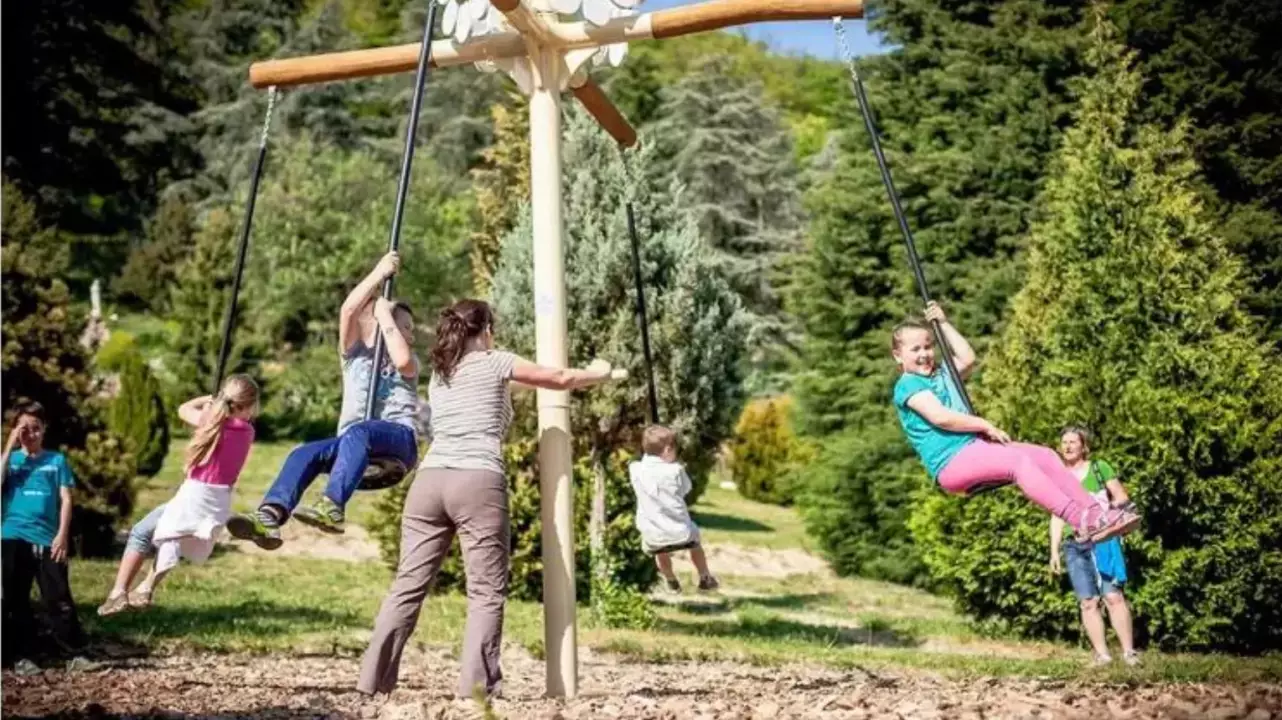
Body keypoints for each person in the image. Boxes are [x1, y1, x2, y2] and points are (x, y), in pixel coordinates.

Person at [358, 299, 616, 700]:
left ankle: (372, 681)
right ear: (487, 329)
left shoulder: (442, 374)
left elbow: (514, 385)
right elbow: (561, 377)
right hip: (477, 480)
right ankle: (476, 690)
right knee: (485, 592)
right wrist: (600, 374)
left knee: (408, 585)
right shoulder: (496, 361)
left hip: (429, 482)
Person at [890, 302, 1140, 542]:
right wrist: (984, 425)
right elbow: (940, 417)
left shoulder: (942, 376)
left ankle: (1096, 514)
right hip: (952, 462)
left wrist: (943, 323)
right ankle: (1079, 519)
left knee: (1046, 457)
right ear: (898, 356)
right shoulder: (908, 385)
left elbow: (967, 359)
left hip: (976, 449)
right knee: (1018, 461)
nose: (924, 354)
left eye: (928, 347)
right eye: (915, 350)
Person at [228, 252, 420, 548]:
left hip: (399, 442)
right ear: (373, 327)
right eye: (405, 326)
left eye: (409, 328)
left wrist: (387, 319)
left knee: (360, 432)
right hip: (354, 444)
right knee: (303, 453)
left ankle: (332, 507)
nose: (412, 334)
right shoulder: (354, 358)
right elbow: (348, 311)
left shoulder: (408, 363)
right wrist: (379, 273)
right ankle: (270, 515)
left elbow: (403, 357)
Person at [98, 375, 259, 616]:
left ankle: (118, 592)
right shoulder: (247, 432)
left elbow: (183, 409)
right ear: (249, 405)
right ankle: (146, 587)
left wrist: (208, 401)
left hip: (194, 495)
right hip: (217, 502)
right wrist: (215, 408)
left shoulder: (210, 421)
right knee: (175, 537)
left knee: (142, 533)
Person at [2, 402, 86, 667]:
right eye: (25, 429)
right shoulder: (12, 461)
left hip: (48, 538)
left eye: (36, 428)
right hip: (12, 536)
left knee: (58, 596)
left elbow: (66, 499)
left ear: (44, 429)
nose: (31, 434)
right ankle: (22, 656)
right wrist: (9, 445)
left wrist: (62, 534)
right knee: (16, 598)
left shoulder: (56, 461)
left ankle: (73, 653)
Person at [1050, 425, 1139, 666]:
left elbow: (1121, 497)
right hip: (1074, 543)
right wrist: (1053, 551)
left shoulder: (1100, 468)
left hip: (1104, 539)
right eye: (1064, 442)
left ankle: (1129, 653)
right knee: (1087, 601)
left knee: (1113, 596)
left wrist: (1104, 514)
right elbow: (1057, 514)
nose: (1067, 446)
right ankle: (1102, 656)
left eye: (1073, 442)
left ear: (1083, 446)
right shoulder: (1058, 477)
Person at [629, 424, 719, 594]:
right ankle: (704, 576)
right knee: (696, 544)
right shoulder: (676, 470)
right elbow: (686, 489)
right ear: (668, 449)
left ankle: (670, 580)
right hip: (681, 532)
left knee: (660, 552)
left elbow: (638, 463)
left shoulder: (635, 469)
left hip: (652, 535)